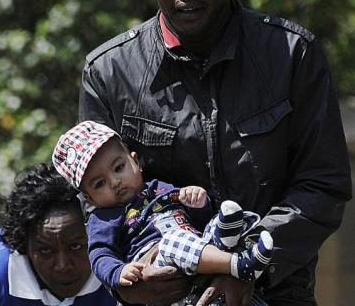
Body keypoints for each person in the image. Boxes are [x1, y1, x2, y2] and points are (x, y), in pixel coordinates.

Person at [78, 0, 352, 305]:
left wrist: (243, 265)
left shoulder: (292, 55)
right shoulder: (108, 72)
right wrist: (128, 282)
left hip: (275, 292)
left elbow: (323, 184)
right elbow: (91, 200)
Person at [52, 120, 273, 305]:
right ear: (89, 198)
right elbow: (100, 255)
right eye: (100, 183)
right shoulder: (103, 218)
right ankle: (238, 263)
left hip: (196, 252)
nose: (114, 182)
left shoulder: (160, 188)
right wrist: (119, 273)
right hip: (158, 263)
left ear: (135, 161)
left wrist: (198, 203)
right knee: (171, 242)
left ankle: (229, 242)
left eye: (119, 168)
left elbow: (197, 220)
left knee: (222, 218)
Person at [0, 163, 115, 306]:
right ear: (24, 245)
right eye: (45, 250)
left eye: (75, 246)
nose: (62, 266)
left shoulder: (125, 264)